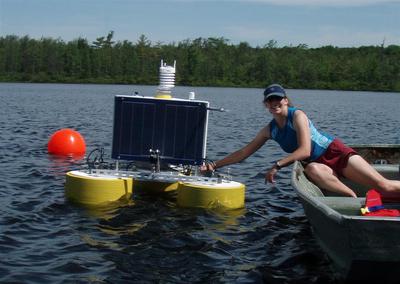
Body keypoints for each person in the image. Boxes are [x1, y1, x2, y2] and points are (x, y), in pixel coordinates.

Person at [201, 84, 400, 198]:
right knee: (311, 169)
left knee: (384, 186)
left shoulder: (298, 116)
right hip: (318, 165)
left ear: (286, 100)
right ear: (265, 104)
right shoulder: (269, 130)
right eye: (270, 100)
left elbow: (304, 150)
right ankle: (354, 201)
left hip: (335, 153)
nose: (274, 103)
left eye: (278, 99)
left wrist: (277, 165)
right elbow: (244, 153)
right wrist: (214, 165)